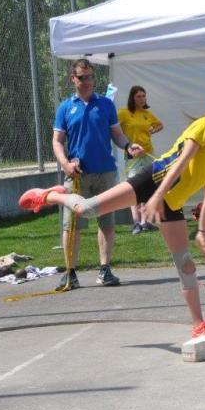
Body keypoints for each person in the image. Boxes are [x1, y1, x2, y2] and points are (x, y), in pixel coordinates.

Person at [20, 88, 205, 338]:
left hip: (170, 203)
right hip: (153, 181)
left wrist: (202, 232)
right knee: (87, 209)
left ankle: (198, 323)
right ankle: (51, 195)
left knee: (186, 263)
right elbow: (180, 163)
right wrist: (156, 195)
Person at [52, 59, 143, 290]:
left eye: (91, 77)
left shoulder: (105, 105)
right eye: (82, 77)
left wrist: (128, 146)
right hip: (77, 174)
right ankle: (70, 273)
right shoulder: (65, 107)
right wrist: (65, 164)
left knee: (107, 222)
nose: (87, 82)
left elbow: (117, 134)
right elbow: (57, 141)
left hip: (105, 172)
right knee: (71, 225)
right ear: (73, 79)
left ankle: (105, 270)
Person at [118, 85, 164, 235]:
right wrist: (126, 142)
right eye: (138, 96)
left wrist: (152, 130)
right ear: (132, 98)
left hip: (148, 153)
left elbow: (160, 125)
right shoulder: (124, 113)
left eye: (143, 96)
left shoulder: (147, 114)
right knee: (133, 187)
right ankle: (136, 222)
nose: (142, 99)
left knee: (147, 186)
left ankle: (145, 222)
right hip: (133, 155)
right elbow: (114, 128)